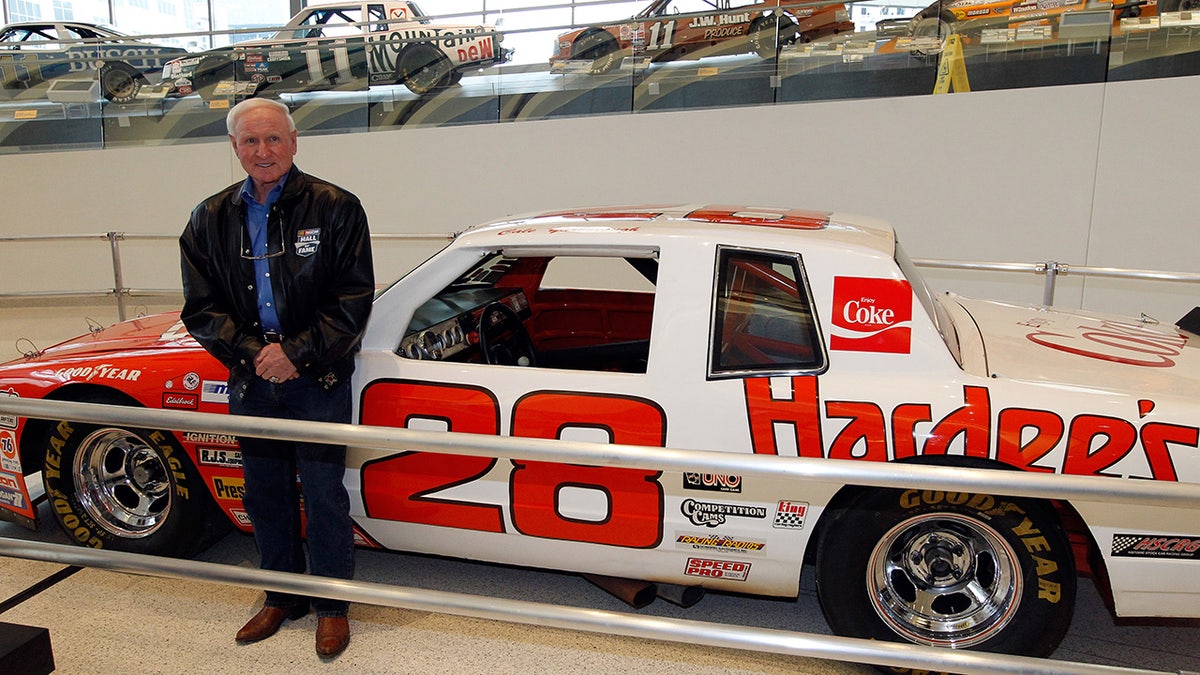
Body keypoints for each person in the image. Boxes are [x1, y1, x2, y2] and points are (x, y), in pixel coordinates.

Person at [179, 97, 374, 658]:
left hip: (319, 379)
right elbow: (201, 307)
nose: (263, 152)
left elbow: (353, 299)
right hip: (251, 379)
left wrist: (295, 353)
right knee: (265, 494)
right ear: (234, 148)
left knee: (323, 494)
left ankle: (332, 605)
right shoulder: (207, 217)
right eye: (250, 142)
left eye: (273, 139)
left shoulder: (337, 207)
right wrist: (252, 354)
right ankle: (281, 595)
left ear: (294, 142)